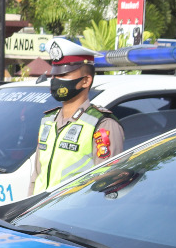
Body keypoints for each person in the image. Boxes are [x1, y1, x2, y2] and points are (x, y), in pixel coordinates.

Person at [29, 38, 124, 194]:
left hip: (74, 208)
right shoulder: (48, 121)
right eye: (54, 75)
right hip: (41, 208)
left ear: (85, 81)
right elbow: (36, 176)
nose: (56, 80)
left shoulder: (102, 124)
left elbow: (107, 182)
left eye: (63, 74)